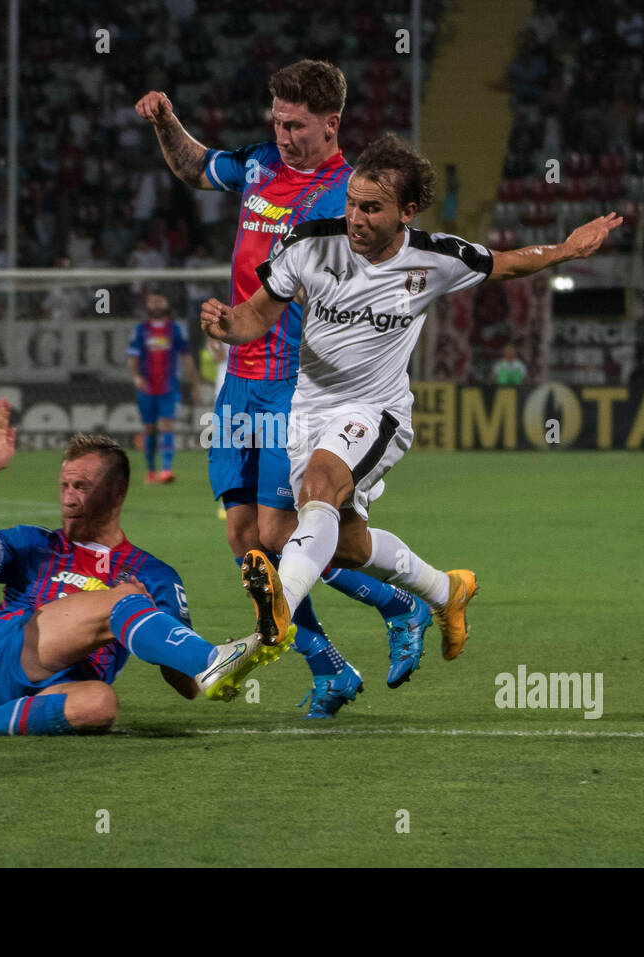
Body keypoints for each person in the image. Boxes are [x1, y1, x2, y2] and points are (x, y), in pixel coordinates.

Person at [201, 132, 622, 659]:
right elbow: (258, 313)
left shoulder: (436, 259)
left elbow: (511, 262)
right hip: (306, 409)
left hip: (375, 412)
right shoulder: (308, 244)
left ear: (408, 211)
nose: (355, 217)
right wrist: (227, 325)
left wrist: (566, 249)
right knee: (339, 543)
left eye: (372, 208)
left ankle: (280, 607)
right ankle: (447, 591)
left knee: (319, 487)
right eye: (352, 203)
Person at [136, 59, 434, 718]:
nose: (284, 133)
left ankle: (402, 603)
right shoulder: (257, 166)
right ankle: (330, 666)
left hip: (295, 384)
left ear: (331, 123)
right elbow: (194, 166)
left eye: (296, 124)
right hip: (237, 377)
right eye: (277, 120)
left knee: (284, 535)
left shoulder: (348, 197)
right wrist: (166, 122)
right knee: (246, 539)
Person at [0, 400, 289, 736]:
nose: (68, 497)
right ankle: (215, 658)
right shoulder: (33, 544)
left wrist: (170, 640)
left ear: (117, 493)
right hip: (1, 657)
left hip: (53, 693)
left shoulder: (157, 575)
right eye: (64, 485)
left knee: (100, 705)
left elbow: (185, 686)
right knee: (127, 598)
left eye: (81, 486)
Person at [126, 291, 199, 484]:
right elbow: (132, 356)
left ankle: (166, 470)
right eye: (152, 301)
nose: (156, 304)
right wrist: (136, 377)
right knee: (149, 428)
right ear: (147, 305)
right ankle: (151, 471)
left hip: (168, 386)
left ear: (166, 303)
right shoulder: (140, 330)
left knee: (167, 425)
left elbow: (187, 356)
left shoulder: (176, 329)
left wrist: (193, 383)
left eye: (160, 300)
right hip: (146, 387)